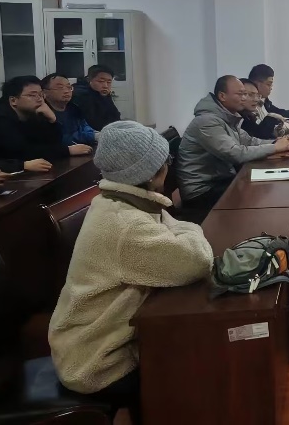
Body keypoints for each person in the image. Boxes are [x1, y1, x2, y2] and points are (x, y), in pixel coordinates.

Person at [49, 121, 212, 425]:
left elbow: (171, 228)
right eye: (167, 160)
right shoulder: (127, 224)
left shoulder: (117, 201)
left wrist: (179, 229)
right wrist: (191, 227)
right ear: (151, 173)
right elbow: (196, 260)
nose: (170, 166)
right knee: (198, 368)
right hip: (97, 361)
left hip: (93, 342)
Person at [176, 75, 289, 222]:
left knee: (263, 190)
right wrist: (275, 148)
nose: (244, 98)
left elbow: (249, 141)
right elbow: (235, 154)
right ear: (222, 96)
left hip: (219, 181)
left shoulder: (226, 117)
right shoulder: (207, 122)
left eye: (245, 94)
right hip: (202, 192)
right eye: (240, 94)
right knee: (258, 195)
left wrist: (276, 142)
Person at [0, 76, 93, 163]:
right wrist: (67, 151)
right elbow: (21, 153)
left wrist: (52, 120)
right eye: (32, 95)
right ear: (13, 100)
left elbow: (51, 142)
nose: (39, 99)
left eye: (41, 94)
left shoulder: (34, 112)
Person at [44, 73, 97, 147]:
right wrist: (92, 136)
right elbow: (60, 139)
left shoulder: (74, 108)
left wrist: (95, 135)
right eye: (60, 88)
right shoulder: (42, 114)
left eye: (69, 87)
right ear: (44, 92)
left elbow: (85, 127)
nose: (66, 91)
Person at [72, 65, 122, 131]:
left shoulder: (102, 93)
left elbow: (114, 115)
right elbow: (92, 123)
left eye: (109, 82)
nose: (105, 86)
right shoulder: (81, 95)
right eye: (101, 81)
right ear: (89, 80)